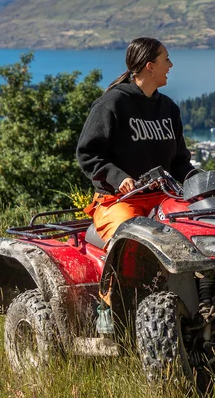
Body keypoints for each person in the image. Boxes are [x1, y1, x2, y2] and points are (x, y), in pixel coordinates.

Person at [77, 36, 195, 243]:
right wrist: (119, 178)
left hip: (163, 198)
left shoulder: (168, 108)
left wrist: (201, 181)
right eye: (166, 59)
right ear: (150, 67)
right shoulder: (112, 104)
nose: (171, 65)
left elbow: (179, 163)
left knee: (201, 228)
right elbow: (88, 154)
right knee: (132, 241)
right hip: (118, 201)